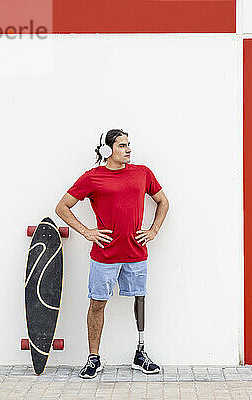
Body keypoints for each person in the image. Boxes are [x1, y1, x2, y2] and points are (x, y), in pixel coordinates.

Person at [55, 129, 169, 379]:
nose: (128, 149)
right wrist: (87, 231)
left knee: (140, 299)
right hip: (104, 255)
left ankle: (140, 353)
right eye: (121, 145)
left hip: (136, 253)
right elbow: (62, 207)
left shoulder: (143, 173)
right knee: (97, 304)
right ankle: (93, 358)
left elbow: (163, 201)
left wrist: (154, 230)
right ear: (107, 150)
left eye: (129, 145)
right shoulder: (93, 178)